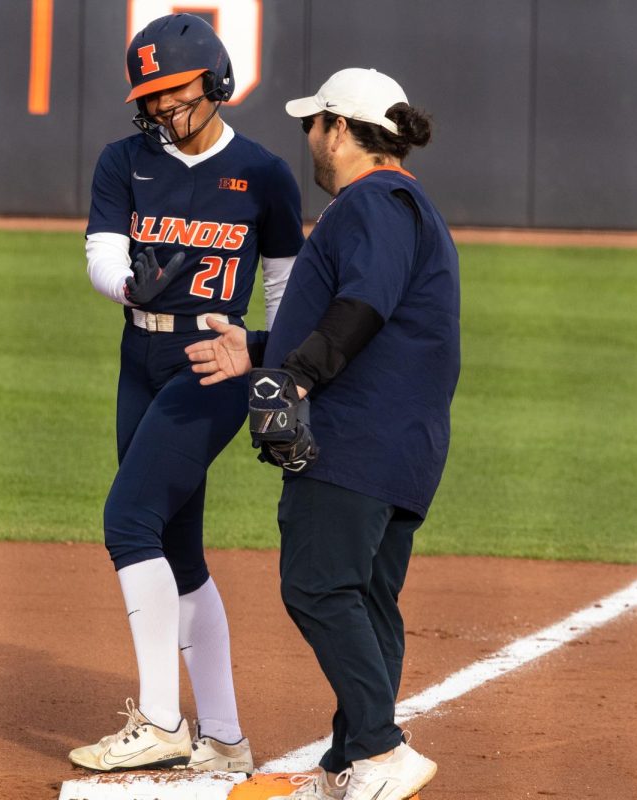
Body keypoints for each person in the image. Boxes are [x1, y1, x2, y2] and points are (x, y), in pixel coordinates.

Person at [185, 68, 460, 800]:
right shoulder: (401, 205)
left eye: (315, 122)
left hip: (357, 439)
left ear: (340, 128)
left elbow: (364, 305)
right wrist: (262, 350)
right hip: (398, 441)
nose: (308, 135)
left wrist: (297, 375)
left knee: (317, 584)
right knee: (366, 599)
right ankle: (349, 764)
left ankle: (379, 750)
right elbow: (364, 316)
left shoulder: (374, 201)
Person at [70, 13, 304, 775]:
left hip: (211, 363)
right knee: (178, 549)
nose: (165, 107)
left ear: (215, 80)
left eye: (177, 90)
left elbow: (285, 290)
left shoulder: (264, 175)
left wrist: (279, 379)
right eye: (152, 96)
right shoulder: (125, 161)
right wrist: (132, 281)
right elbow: (101, 256)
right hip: (138, 355)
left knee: (127, 519)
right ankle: (227, 740)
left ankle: (165, 721)